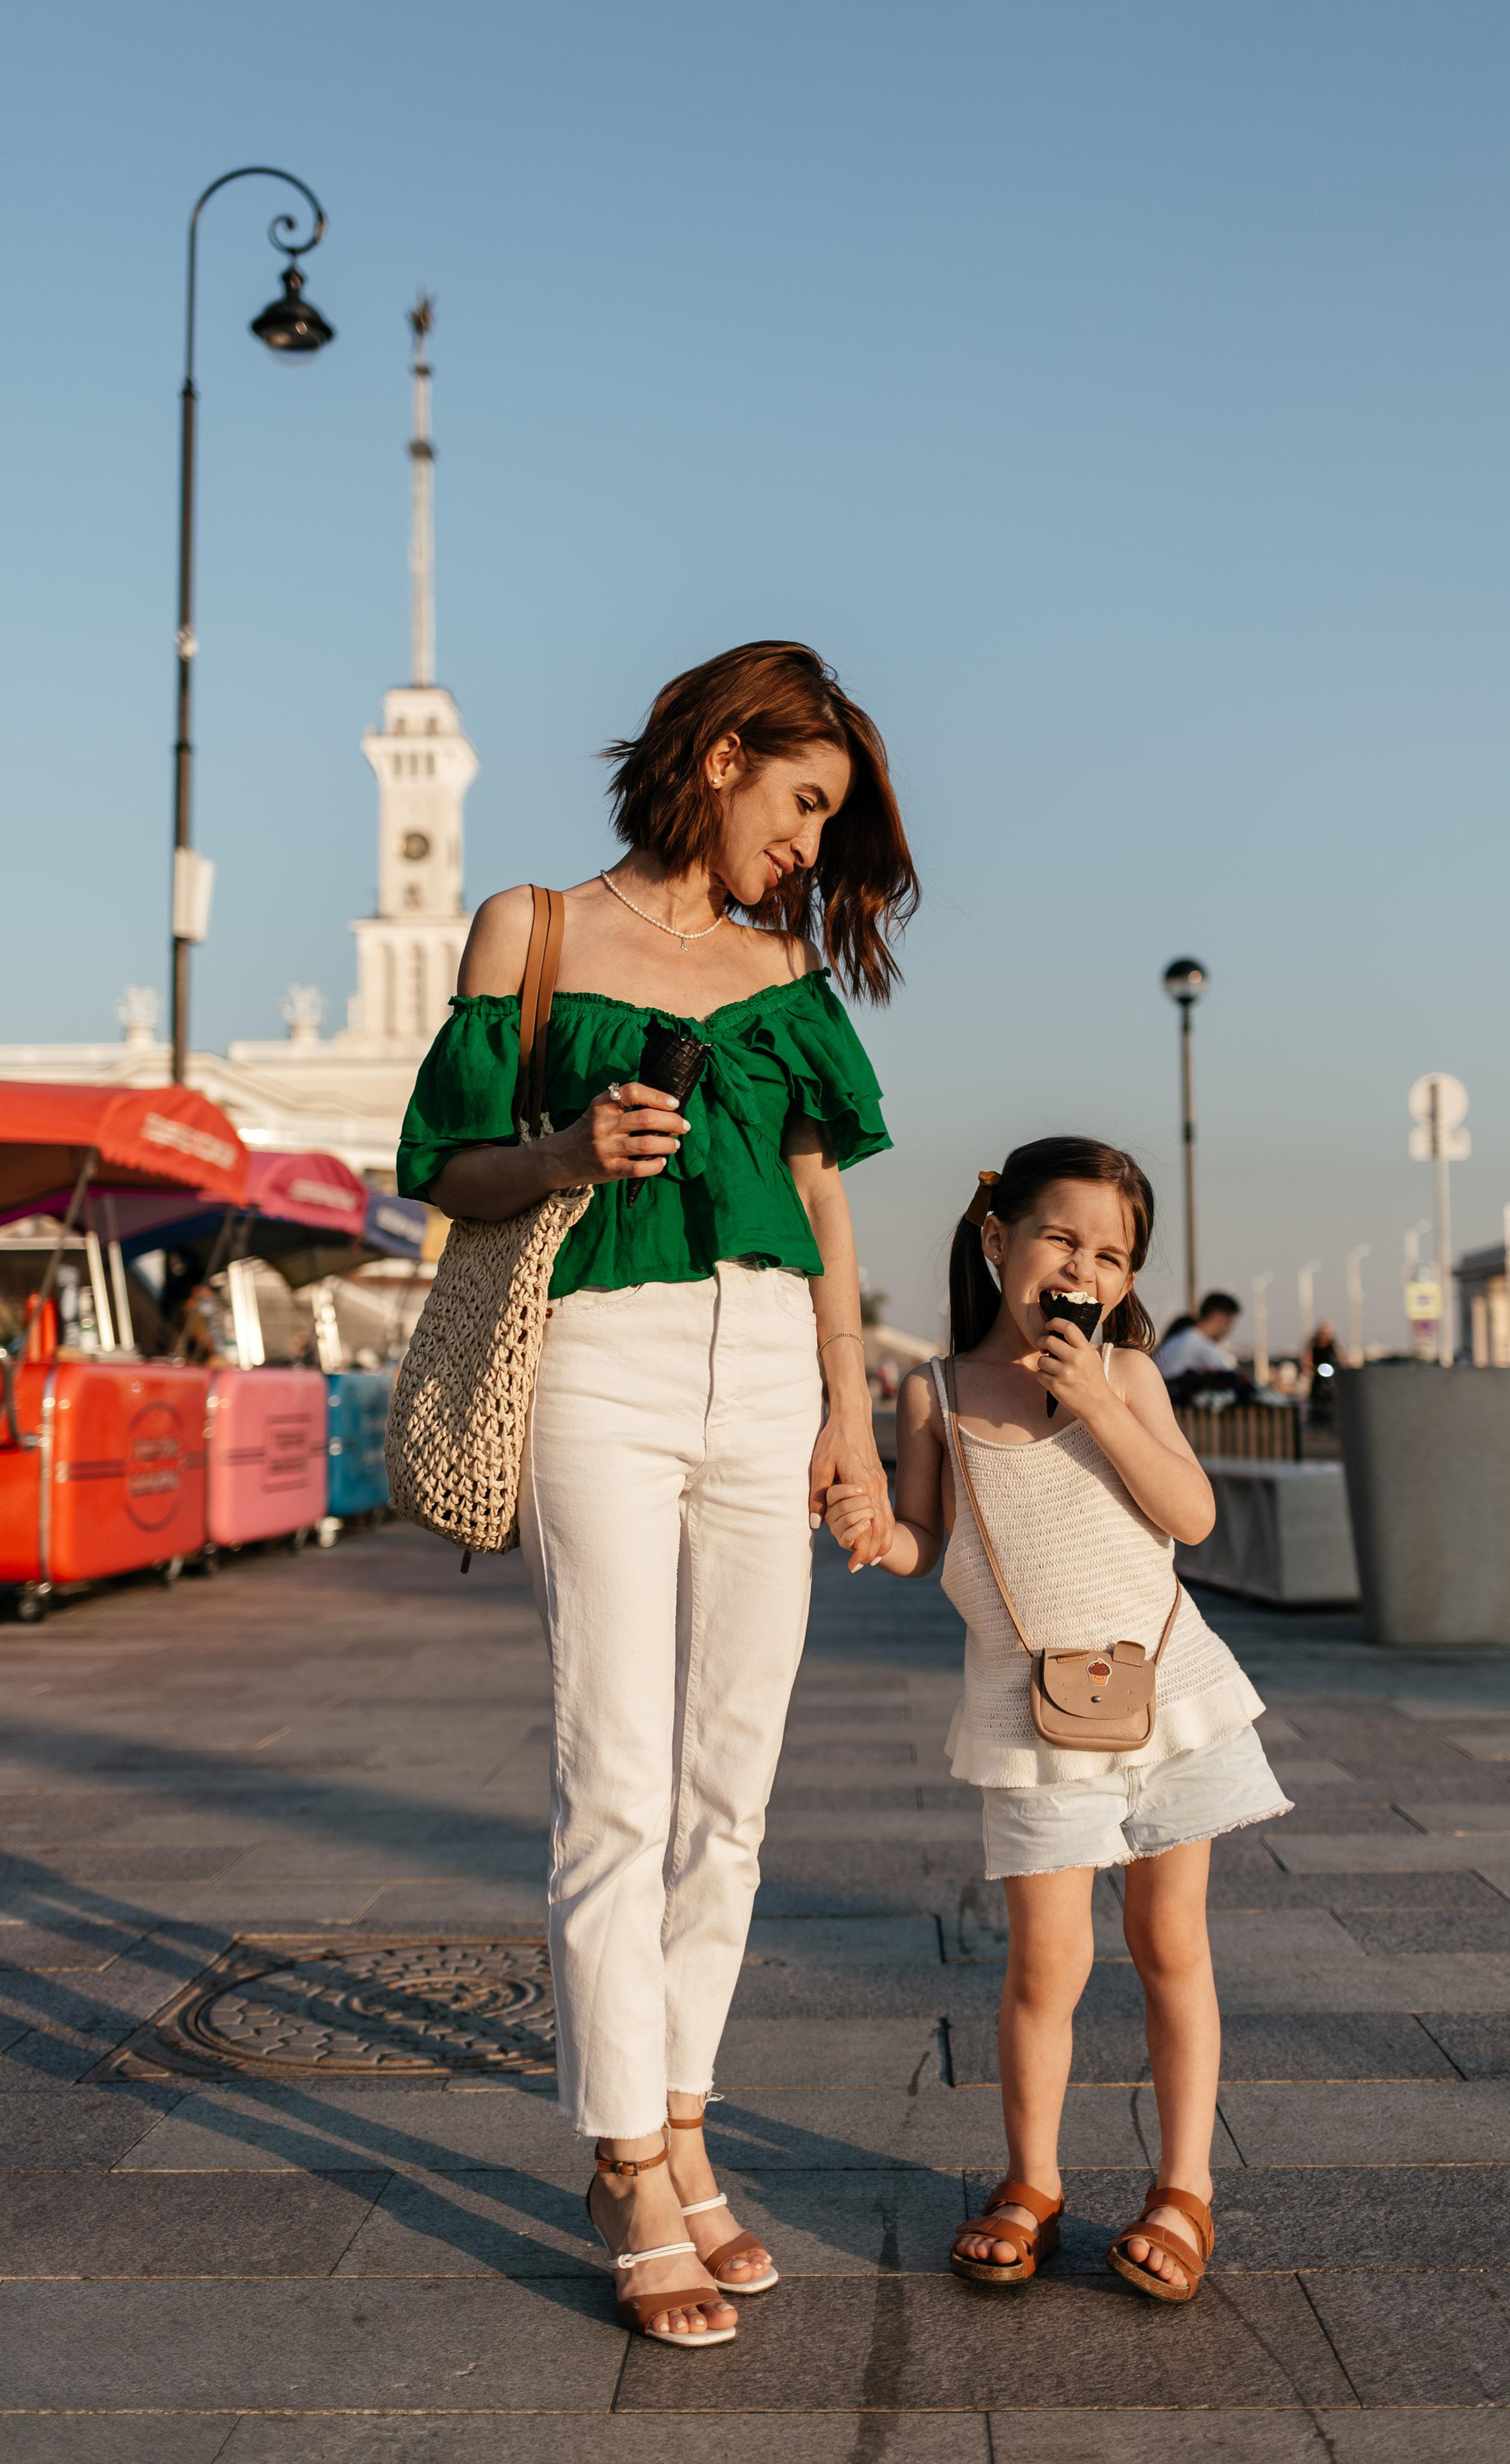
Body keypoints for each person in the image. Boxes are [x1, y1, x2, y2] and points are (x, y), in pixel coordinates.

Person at [398, 642, 915, 2347]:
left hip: (769, 1369)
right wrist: (564, 1155)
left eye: (835, 821)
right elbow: (450, 1174)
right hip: (598, 1362)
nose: (813, 846)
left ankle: (687, 2121)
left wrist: (852, 1421)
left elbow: (830, 1224)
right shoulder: (531, 929)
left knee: (737, 1783)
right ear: (718, 758)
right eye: (804, 801)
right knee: (617, 1777)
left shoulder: (783, 975)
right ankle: (625, 2157)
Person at [823, 1138, 1290, 2303]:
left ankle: (1185, 2190)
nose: (1085, 1265)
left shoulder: (1130, 1377)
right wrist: (881, 1537)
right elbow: (931, 1541)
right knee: (1047, 1962)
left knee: (1171, 1947)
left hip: (1171, 1697)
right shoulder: (935, 1390)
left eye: (1112, 1254)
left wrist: (1098, 1401)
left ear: (1128, 1284)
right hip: (1029, 1716)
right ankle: (1033, 2181)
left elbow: (1188, 1515)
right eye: (1061, 1238)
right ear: (998, 1241)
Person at [1154, 1291, 1241, 1386]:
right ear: (1219, 1316)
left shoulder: (1178, 1338)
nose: (1228, 1330)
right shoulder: (1201, 1346)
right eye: (1229, 1323)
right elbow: (1231, 1374)